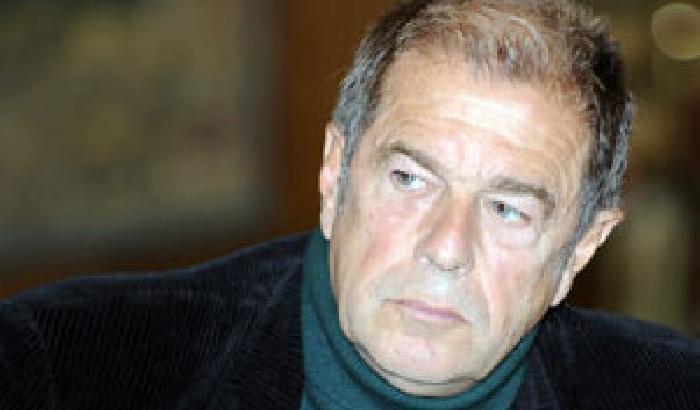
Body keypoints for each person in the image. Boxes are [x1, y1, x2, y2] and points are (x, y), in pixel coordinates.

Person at [1, 0, 698, 408]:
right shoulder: (58, 367)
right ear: (335, 174)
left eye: (507, 209)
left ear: (580, 249)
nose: (446, 248)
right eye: (410, 179)